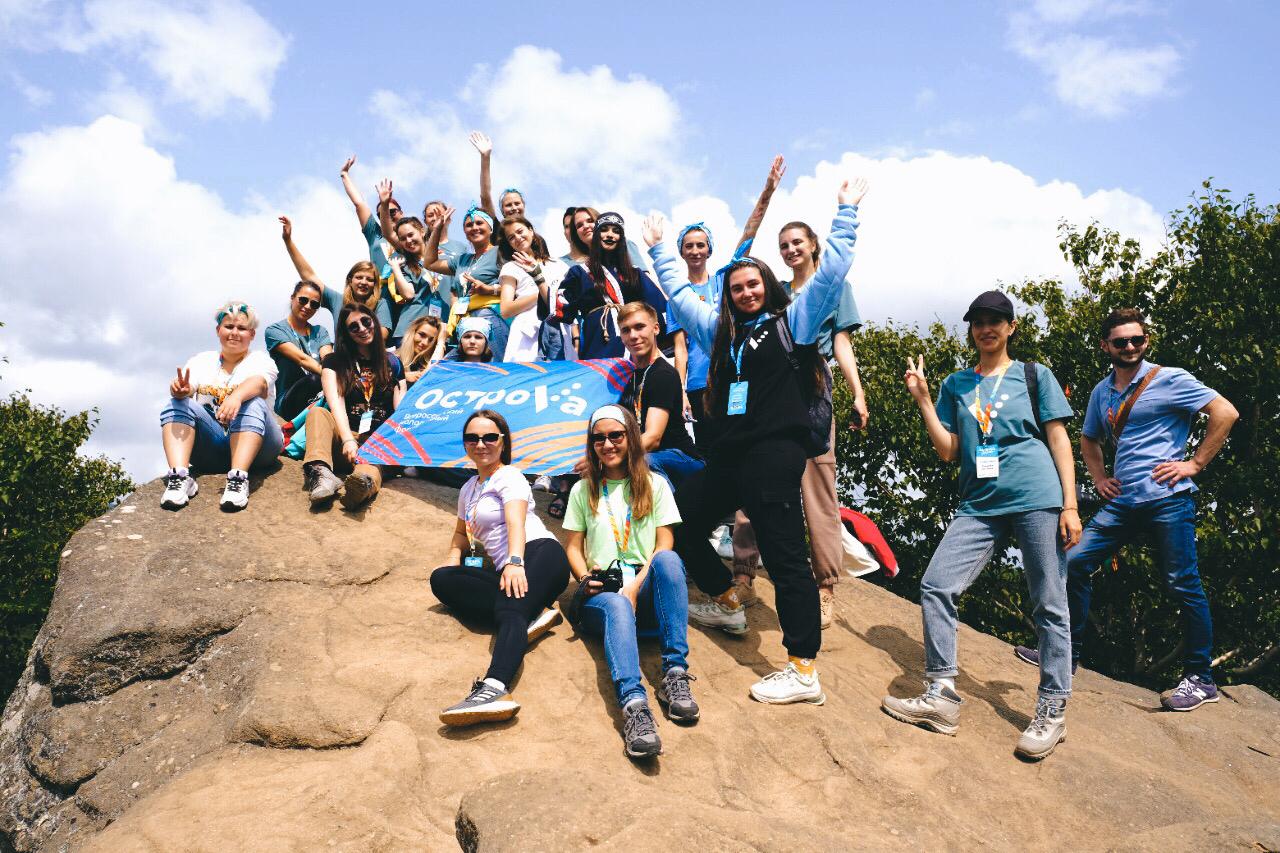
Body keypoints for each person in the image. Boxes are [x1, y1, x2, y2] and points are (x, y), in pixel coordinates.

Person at [647, 177, 866, 706]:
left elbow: (832, 272)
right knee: (680, 519)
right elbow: (681, 296)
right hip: (729, 457)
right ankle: (727, 599)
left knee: (785, 556)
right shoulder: (720, 332)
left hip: (774, 455)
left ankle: (802, 668)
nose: (745, 292)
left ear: (767, 285)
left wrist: (846, 215)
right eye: (737, 287)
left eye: (753, 284)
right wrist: (658, 251)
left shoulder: (794, 323)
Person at [880, 290, 1079, 761]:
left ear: (1011, 327)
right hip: (979, 503)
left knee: (1049, 602)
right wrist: (924, 400)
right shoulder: (957, 384)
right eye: (978, 322)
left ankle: (1052, 709)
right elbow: (949, 450)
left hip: (1036, 496)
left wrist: (1070, 505)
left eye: (995, 321)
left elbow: (1058, 438)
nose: (986, 328)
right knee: (936, 584)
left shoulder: (1034, 375)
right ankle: (942, 695)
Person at [1015, 308, 1239, 712]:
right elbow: (1088, 440)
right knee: (1073, 562)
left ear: (1146, 341)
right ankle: (1066, 656)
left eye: (1137, 339)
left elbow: (1225, 412)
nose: (1130, 346)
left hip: (1168, 498)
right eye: (1121, 341)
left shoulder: (1171, 378)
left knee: (1182, 582)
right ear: (1107, 346)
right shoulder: (1102, 392)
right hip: (1122, 502)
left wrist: (1194, 464)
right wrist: (1100, 478)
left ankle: (1201, 679)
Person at [732, 211, 872, 627]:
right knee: (754, 474)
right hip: (769, 386)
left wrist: (857, 391)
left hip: (812, 384)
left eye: (797, 242)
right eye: (784, 245)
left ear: (813, 245)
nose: (791, 249)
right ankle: (743, 575)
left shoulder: (834, 286)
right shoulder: (773, 291)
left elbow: (841, 342)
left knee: (818, 483)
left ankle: (824, 587)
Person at [563, 405, 697, 759]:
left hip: (644, 584)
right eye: (599, 438)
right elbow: (573, 547)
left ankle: (675, 673)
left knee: (669, 560)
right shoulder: (583, 490)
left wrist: (636, 584)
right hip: (604, 594)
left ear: (631, 437)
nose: (607, 444)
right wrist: (584, 577)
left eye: (615, 436)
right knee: (618, 603)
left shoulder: (656, 484)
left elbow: (665, 542)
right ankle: (634, 706)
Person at [430, 410, 570, 725]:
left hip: (539, 553)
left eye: (489, 437)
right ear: (465, 444)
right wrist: (453, 561)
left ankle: (495, 688)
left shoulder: (510, 476)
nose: (481, 444)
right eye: (472, 438)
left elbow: (515, 522)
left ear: (502, 442)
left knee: (510, 607)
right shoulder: (468, 489)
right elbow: (460, 533)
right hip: (506, 569)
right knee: (441, 580)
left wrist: (515, 562)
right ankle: (533, 614)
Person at [160, 301, 283, 512]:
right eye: (229, 326)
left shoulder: (261, 360)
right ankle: (179, 477)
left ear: (252, 334)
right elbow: (188, 386)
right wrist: (181, 389)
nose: (234, 333)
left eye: (242, 328)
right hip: (213, 447)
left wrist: (237, 396)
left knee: (252, 401)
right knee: (177, 403)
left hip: (259, 448)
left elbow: (260, 383)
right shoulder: (202, 361)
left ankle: (238, 479)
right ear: (218, 330)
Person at [301, 304, 406, 509]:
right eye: (354, 326)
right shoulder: (334, 361)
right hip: (345, 440)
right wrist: (348, 439)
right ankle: (322, 474)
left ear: (374, 321)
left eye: (366, 322)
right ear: (346, 333)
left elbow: (401, 410)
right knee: (318, 413)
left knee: (370, 467)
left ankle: (361, 488)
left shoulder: (393, 362)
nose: (362, 329)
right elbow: (336, 402)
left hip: (378, 443)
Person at [555, 212, 671, 360]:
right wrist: (539, 278)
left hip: (633, 342)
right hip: (597, 340)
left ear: (621, 239)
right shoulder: (579, 272)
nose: (610, 235)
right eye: (604, 230)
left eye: (616, 231)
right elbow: (560, 309)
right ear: (596, 235)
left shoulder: (634, 273)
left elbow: (658, 308)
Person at [615, 302, 704, 490]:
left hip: (682, 459)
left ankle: (669, 510)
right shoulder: (629, 377)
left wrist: (605, 458)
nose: (633, 335)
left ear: (656, 328)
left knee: (643, 461)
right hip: (652, 458)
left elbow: (653, 438)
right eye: (626, 330)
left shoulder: (662, 374)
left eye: (639, 327)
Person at [279, 215, 403, 342]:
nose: (364, 282)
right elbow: (309, 275)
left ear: (375, 284)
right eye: (359, 277)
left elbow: (382, 334)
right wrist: (288, 241)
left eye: (370, 279)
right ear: (350, 280)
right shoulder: (337, 300)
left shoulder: (380, 304)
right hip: (341, 355)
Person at [418, 204, 507, 359]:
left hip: (489, 318)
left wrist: (489, 289)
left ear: (491, 228)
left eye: (479, 223)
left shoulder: (501, 253)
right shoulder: (463, 260)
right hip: (465, 324)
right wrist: (437, 229)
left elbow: (518, 287)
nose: (474, 227)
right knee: (449, 367)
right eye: (469, 225)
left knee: (496, 368)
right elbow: (429, 263)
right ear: (465, 233)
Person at [496, 216, 569, 362]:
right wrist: (543, 293)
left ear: (531, 230)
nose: (518, 238)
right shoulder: (510, 267)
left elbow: (569, 303)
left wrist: (576, 337)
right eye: (511, 237)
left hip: (561, 330)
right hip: (526, 335)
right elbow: (506, 309)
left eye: (520, 231)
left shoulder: (559, 265)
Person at [264, 280, 333, 420]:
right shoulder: (275, 330)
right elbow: (302, 359)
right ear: (292, 298)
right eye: (303, 300)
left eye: (314, 304)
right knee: (314, 380)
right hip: (288, 401)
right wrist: (332, 376)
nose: (307, 306)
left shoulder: (320, 331)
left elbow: (328, 359)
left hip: (321, 394)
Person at [397, 315, 444, 385]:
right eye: (422, 335)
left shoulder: (430, 365)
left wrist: (441, 341)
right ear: (412, 332)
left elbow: (429, 376)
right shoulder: (392, 359)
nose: (425, 343)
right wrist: (403, 376)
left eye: (431, 340)